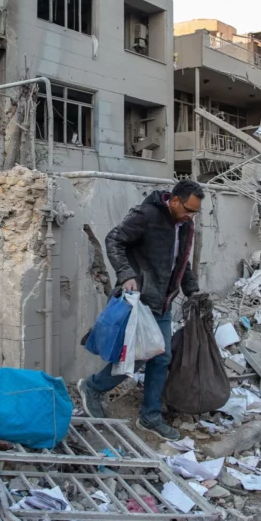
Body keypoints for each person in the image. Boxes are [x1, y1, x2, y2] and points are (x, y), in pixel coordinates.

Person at [77, 179, 204, 441]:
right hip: (141, 299)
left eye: (195, 212)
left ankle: (150, 416)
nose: (191, 216)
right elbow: (114, 240)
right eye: (188, 210)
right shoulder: (146, 215)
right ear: (175, 200)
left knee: (161, 357)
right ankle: (92, 387)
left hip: (164, 301)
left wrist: (193, 290)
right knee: (138, 357)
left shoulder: (185, 225)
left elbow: (181, 263)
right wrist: (126, 274)